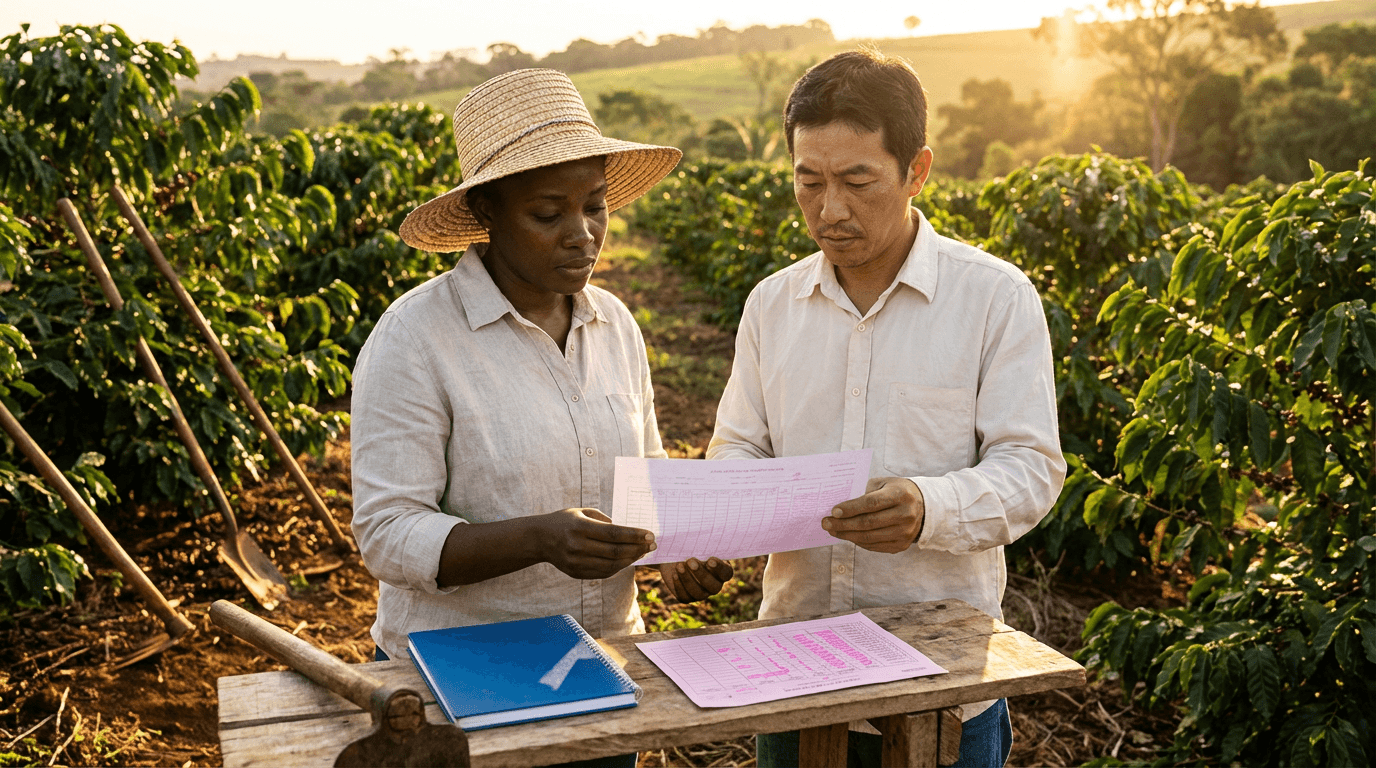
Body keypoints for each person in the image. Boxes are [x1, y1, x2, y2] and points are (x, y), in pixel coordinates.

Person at [668, 49, 1067, 767]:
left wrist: (929, 505)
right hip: (790, 673)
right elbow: (738, 446)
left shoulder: (994, 299)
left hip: (942, 684)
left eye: (858, 181)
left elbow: (1031, 468)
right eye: (808, 181)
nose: (830, 210)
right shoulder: (772, 304)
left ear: (917, 170)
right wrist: (718, 525)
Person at [350, 68, 682, 768]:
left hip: (603, 664)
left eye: (595, 206)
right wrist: (537, 537)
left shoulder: (614, 325)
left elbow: (645, 480)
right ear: (487, 213)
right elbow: (387, 533)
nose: (582, 234)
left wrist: (678, 553)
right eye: (548, 213)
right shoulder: (416, 338)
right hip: (458, 682)